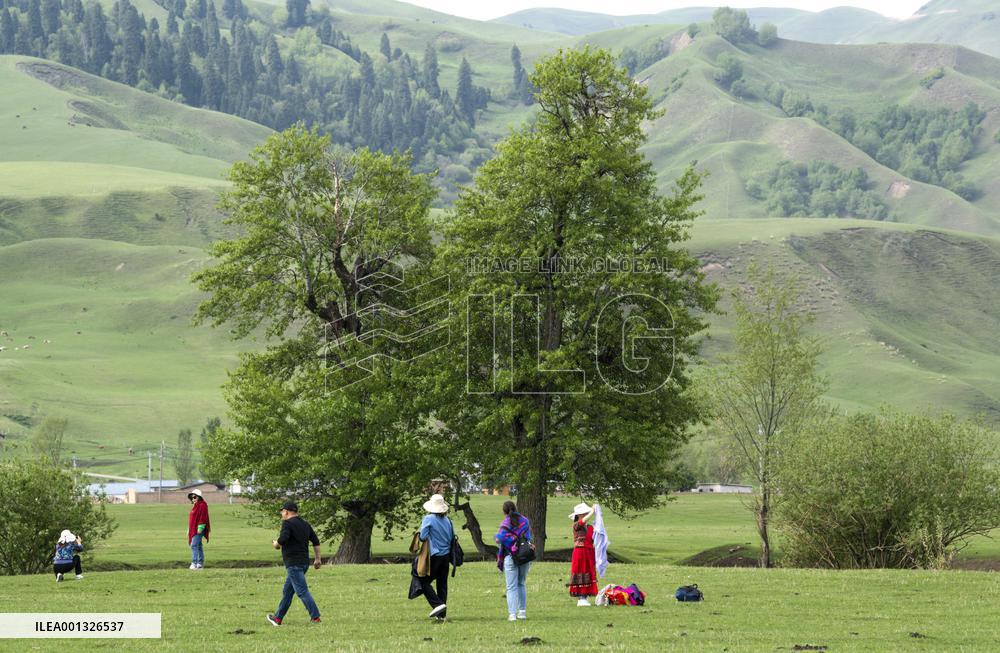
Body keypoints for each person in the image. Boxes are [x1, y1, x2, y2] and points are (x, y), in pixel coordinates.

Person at [266, 501, 322, 626]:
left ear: (286, 511)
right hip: (304, 563)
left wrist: (276, 544)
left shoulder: (287, 523)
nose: (281, 514)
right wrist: (318, 559)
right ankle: (278, 618)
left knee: (302, 591)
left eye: (282, 511)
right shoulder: (305, 524)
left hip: (293, 564)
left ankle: (315, 617)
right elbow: (316, 541)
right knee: (287, 591)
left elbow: (283, 539)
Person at [495, 500, 533, 621]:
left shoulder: (505, 523)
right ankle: (522, 612)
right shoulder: (525, 521)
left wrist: (510, 541)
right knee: (521, 583)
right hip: (524, 555)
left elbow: (499, 538)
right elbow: (528, 537)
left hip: (510, 556)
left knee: (511, 587)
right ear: (515, 508)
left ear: (504, 511)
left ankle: (512, 614)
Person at [418, 493, 454, 620]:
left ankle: (437, 604)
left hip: (434, 555)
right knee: (442, 584)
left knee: (422, 580)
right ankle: (442, 615)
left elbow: (422, 537)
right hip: (446, 556)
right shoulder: (448, 521)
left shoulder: (428, 519)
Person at [568, 502, 599, 606]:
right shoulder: (576, 525)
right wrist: (592, 511)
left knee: (588, 572)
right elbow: (583, 521)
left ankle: (584, 597)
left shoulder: (590, 527)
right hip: (580, 552)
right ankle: (581, 597)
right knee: (581, 571)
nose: (586, 515)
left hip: (589, 552)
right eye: (584, 513)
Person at [187, 489, 211, 570]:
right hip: (193, 529)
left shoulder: (202, 505)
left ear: (199, 497)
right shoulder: (195, 506)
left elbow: (203, 517)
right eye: (192, 497)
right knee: (199, 546)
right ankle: (200, 563)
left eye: (194, 497)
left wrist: (200, 527)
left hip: (198, 529)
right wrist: (189, 529)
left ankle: (194, 563)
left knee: (194, 545)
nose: (193, 499)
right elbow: (192, 520)